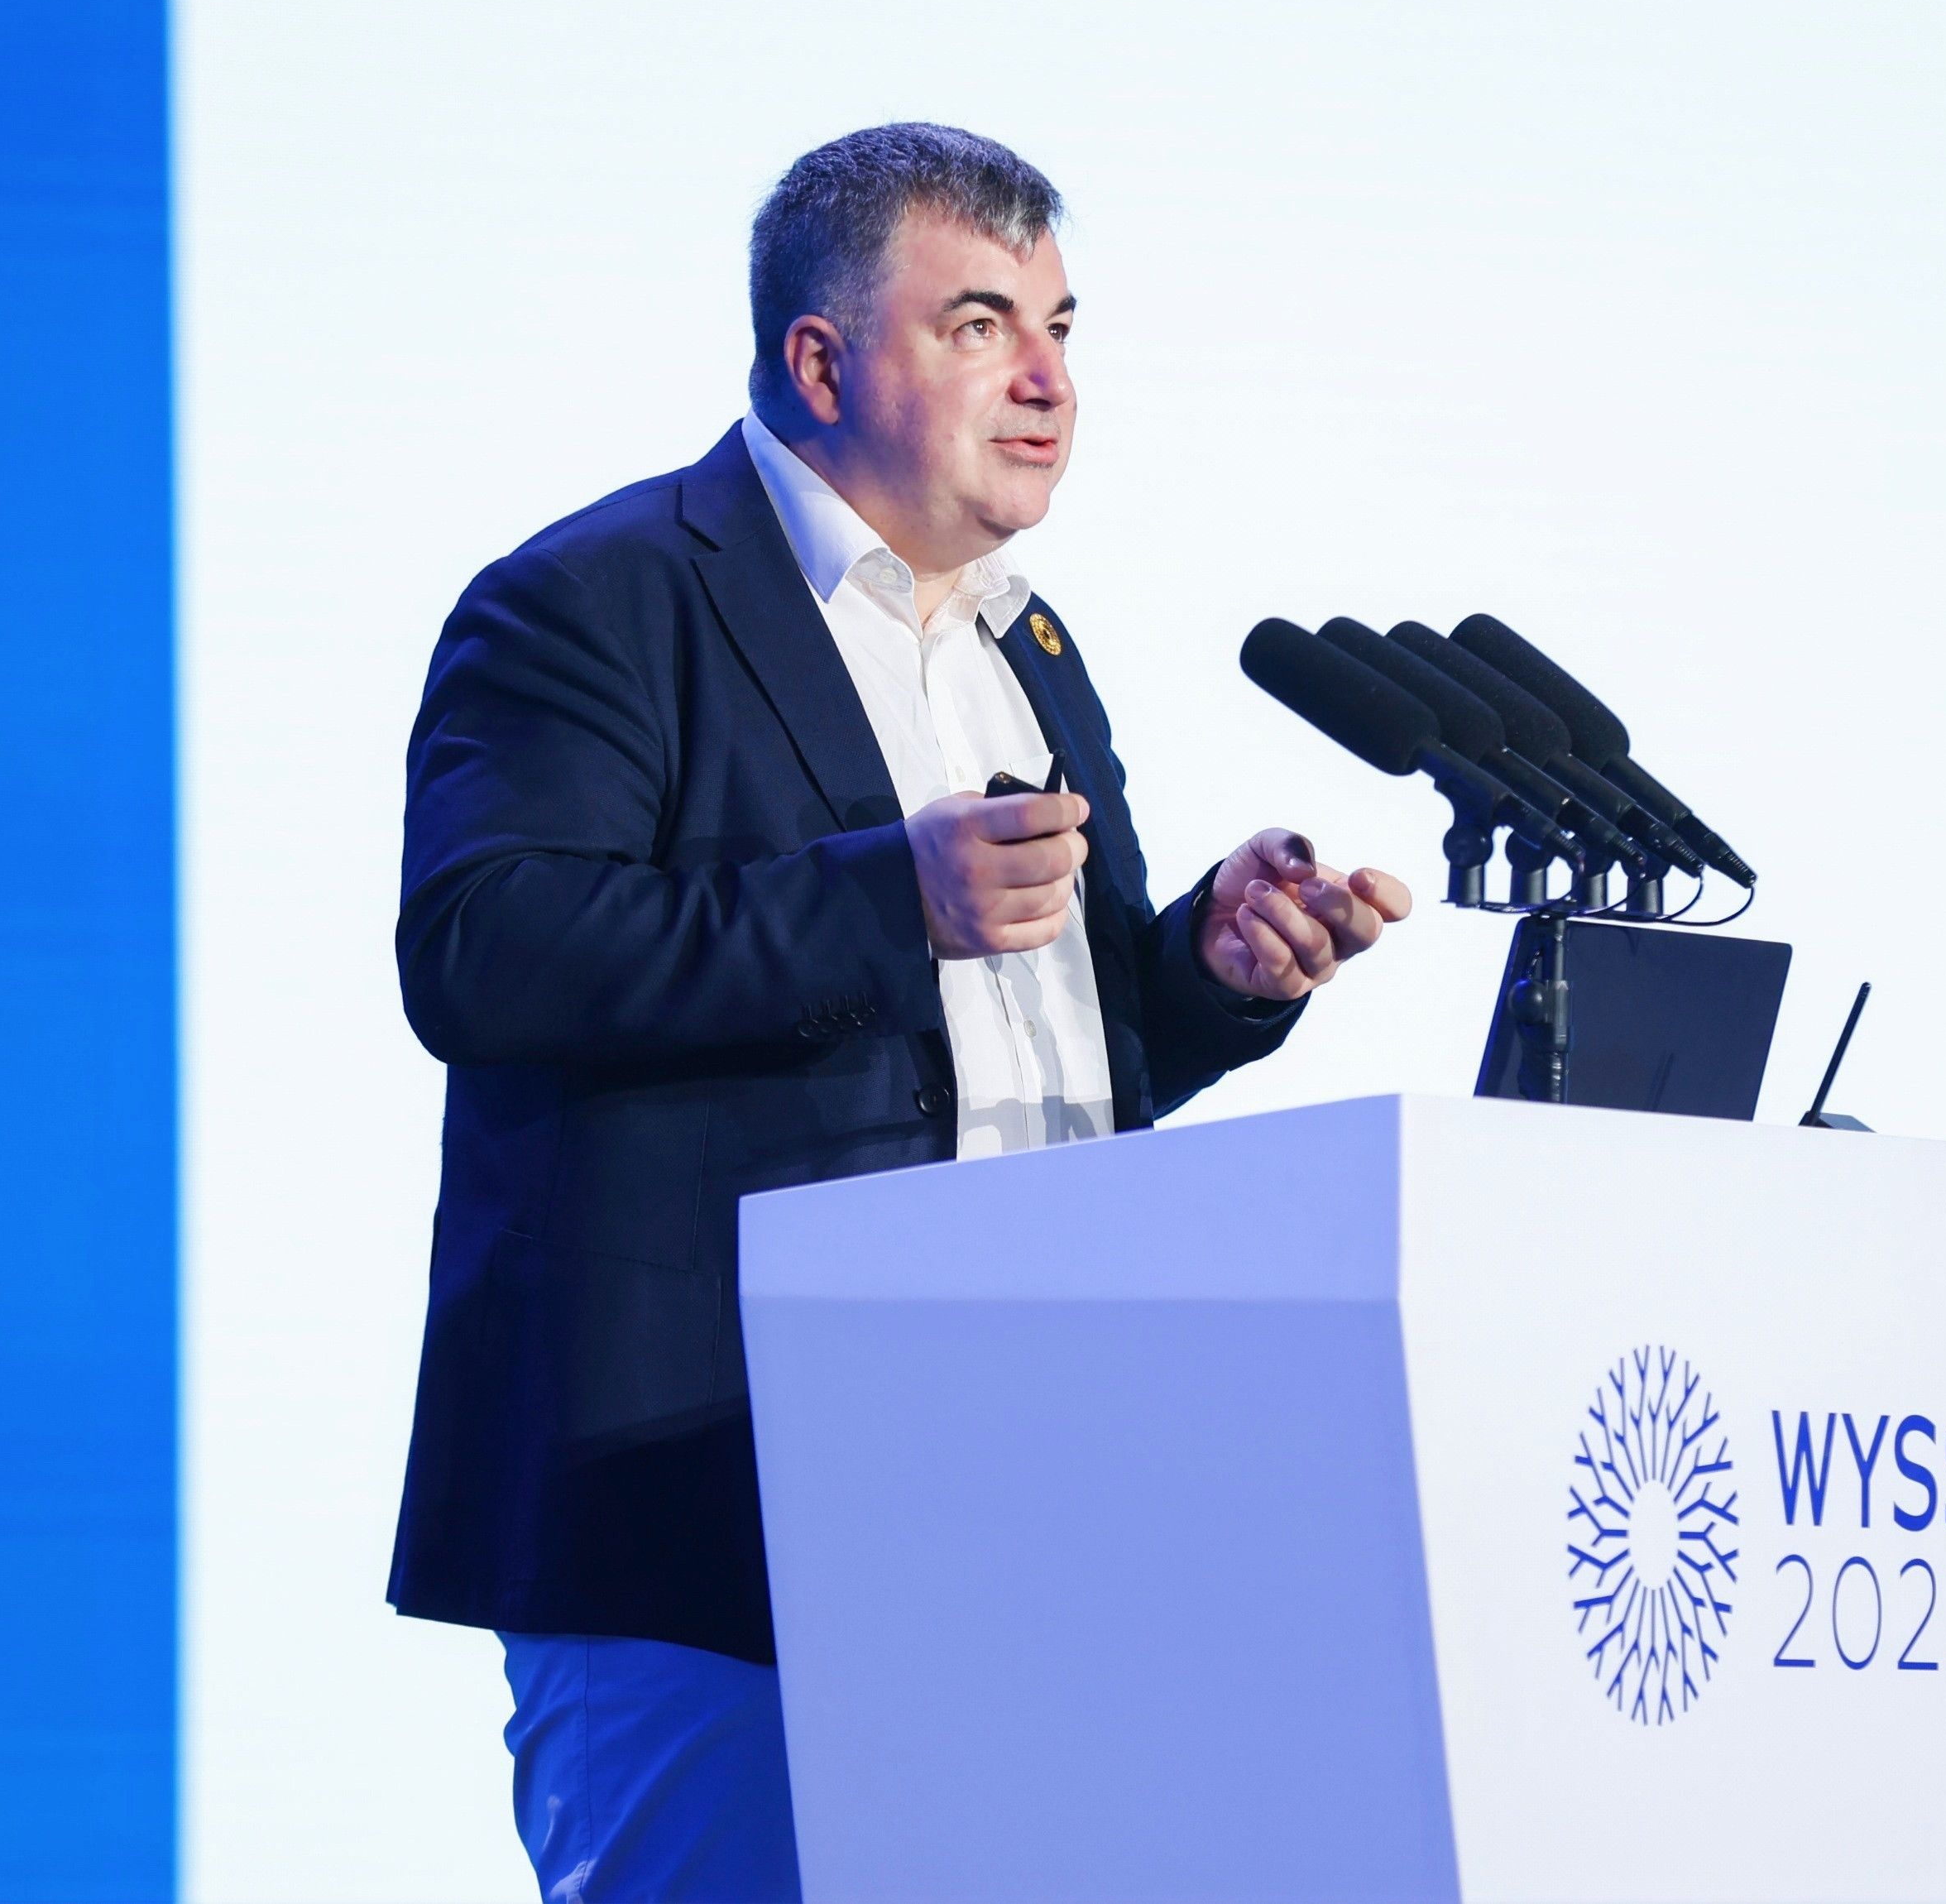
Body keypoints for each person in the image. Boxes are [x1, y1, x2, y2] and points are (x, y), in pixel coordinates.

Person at [386, 122, 1412, 1902]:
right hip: (703, 1524)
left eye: (1063, 330)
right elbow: (482, 950)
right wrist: (886, 899)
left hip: (1021, 1499)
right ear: (821, 361)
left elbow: (1045, 1055)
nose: (1048, 382)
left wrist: (1203, 971)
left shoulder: (1027, 649)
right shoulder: (599, 599)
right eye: (980, 325)